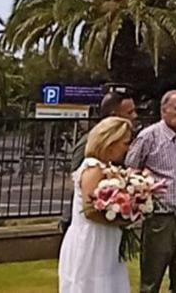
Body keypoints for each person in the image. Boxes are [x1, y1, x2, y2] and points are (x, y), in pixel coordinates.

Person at [126, 90, 176, 293]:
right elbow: (130, 171)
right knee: (151, 281)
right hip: (160, 219)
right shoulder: (148, 137)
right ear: (164, 110)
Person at [59, 116, 136, 293]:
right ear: (111, 142)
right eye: (125, 143)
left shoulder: (107, 167)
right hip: (92, 239)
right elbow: (90, 211)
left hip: (106, 238)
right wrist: (121, 221)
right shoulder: (94, 168)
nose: (128, 148)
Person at [62, 90, 137, 233]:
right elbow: (79, 182)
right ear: (114, 116)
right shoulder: (90, 146)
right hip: (90, 227)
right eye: (129, 112)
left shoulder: (113, 155)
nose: (134, 116)